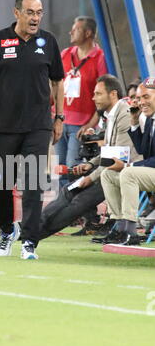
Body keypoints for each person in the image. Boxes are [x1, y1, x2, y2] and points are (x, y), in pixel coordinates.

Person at [0, 0, 64, 260]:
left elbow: (58, 82)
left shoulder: (48, 42)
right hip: (5, 126)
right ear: (16, 13)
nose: (35, 18)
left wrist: (59, 117)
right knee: (1, 184)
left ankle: (29, 242)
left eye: (39, 12)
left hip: (38, 126)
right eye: (30, 12)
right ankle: (6, 231)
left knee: (33, 183)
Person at [39, 74, 140, 240]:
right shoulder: (111, 115)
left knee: (80, 200)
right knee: (68, 190)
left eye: (98, 94)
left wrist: (90, 177)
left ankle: (35, 232)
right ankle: (35, 226)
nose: (93, 98)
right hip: (110, 168)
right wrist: (90, 164)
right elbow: (109, 151)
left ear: (113, 94)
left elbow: (120, 157)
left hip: (122, 171)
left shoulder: (124, 115)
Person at [99, 76, 155, 245]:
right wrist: (134, 122)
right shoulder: (149, 119)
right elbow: (143, 152)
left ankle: (132, 231)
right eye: (138, 98)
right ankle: (119, 226)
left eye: (146, 97)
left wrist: (127, 165)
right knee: (107, 174)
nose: (141, 102)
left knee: (129, 173)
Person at [56, 16, 107, 185]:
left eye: (76, 29)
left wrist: (90, 125)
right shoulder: (65, 55)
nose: (71, 32)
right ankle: (63, 206)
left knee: (73, 167)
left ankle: (77, 206)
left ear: (88, 33)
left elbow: (103, 96)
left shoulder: (99, 57)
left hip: (81, 125)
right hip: (61, 121)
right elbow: (55, 86)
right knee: (61, 168)